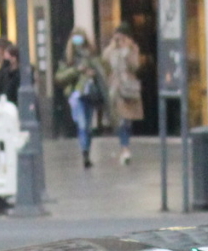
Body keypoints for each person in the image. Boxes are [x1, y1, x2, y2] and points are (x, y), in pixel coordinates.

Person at [102, 28, 146, 163]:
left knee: (127, 120)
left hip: (128, 89)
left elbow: (135, 66)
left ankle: (125, 146)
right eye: (116, 38)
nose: (119, 41)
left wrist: (128, 51)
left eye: (121, 38)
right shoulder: (110, 51)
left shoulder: (132, 49)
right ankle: (124, 148)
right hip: (115, 89)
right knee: (120, 120)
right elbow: (104, 65)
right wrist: (111, 48)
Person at [59, 29, 102, 165]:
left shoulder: (91, 55)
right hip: (76, 95)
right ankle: (84, 153)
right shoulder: (67, 58)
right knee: (82, 125)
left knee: (88, 126)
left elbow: (101, 70)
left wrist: (93, 73)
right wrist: (77, 70)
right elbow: (60, 76)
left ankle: (87, 150)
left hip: (90, 93)